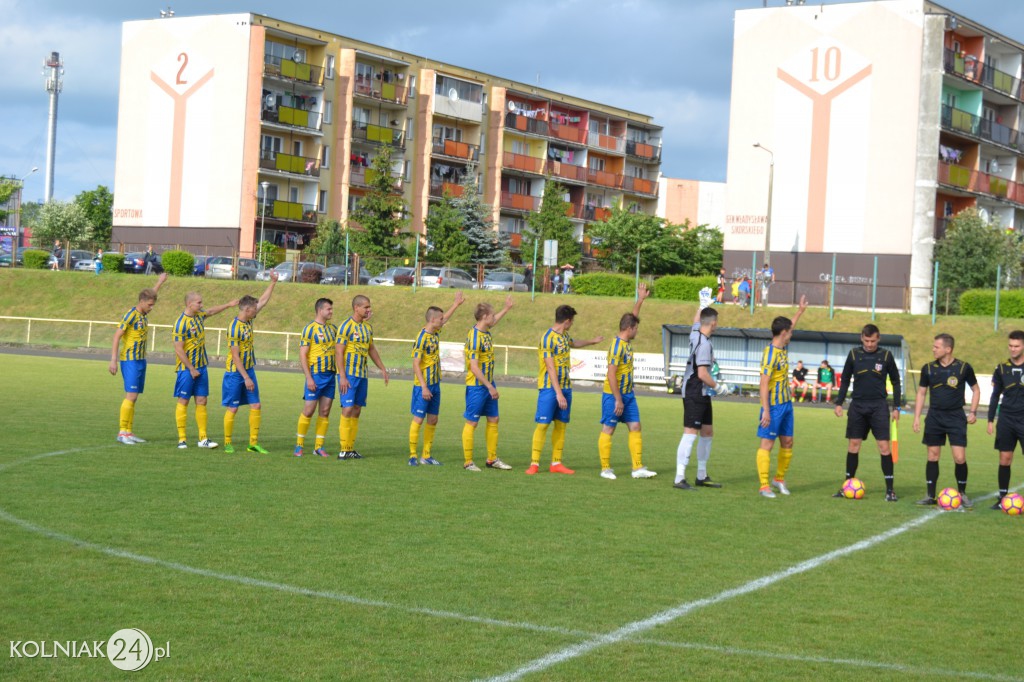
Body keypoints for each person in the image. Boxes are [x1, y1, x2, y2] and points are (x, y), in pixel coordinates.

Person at [527, 304, 604, 475]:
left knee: (561, 426)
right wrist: (558, 393)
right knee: (543, 424)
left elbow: (574, 343)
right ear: (567, 321)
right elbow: (550, 367)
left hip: (566, 387)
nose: (572, 324)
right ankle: (534, 463)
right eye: (572, 321)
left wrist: (592, 341)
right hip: (549, 388)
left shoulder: (564, 336)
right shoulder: (547, 338)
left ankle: (556, 463)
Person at [831, 324, 903, 501]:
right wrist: (839, 403)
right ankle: (847, 485)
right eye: (867, 340)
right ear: (861, 338)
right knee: (853, 445)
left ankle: (890, 490)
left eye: (873, 340)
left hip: (879, 406)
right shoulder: (854, 354)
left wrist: (897, 407)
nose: (870, 344)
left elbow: (896, 381)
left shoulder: (886, 355)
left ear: (878, 339)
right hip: (858, 406)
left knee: (884, 447)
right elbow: (846, 379)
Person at [912, 334, 979, 507]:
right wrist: (917, 417)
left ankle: (962, 494)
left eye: (936, 346)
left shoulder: (964, 367)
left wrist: (972, 412)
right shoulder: (927, 368)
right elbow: (921, 393)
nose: (933, 349)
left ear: (948, 349)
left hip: (956, 416)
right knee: (933, 455)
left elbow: (976, 389)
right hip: (934, 416)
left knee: (959, 457)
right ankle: (930, 495)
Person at [598, 283, 656, 480]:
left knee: (636, 426)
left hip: (628, 395)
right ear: (630, 329)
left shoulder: (626, 341)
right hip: (614, 396)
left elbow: (633, 316)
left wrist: (640, 300)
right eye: (636, 328)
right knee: (609, 428)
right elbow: (611, 374)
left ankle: (637, 468)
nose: (637, 331)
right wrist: (618, 399)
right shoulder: (617, 347)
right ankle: (605, 468)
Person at [754, 296, 808, 497]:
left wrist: (800, 311)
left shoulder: (782, 346)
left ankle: (779, 479)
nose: (791, 334)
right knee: (767, 444)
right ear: (783, 334)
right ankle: (764, 485)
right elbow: (763, 383)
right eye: (790, 332)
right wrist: (766, 411)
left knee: (788, 442)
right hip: (773, 407)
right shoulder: (770, 354)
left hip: (786, 405)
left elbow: (790, 324)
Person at [173, 291, 238, 449]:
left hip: (201, 366)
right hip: (186, 369)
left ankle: (203, 438)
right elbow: (178, 349)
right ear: (190, 304)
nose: (202, 305)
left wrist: (228, 305)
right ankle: (182, 439)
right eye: (199, 303)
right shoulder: (181, 323)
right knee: (184, 401)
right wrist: (191, 368)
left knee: (202, 401)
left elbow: (211, 311)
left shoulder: (199, 316)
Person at [221, 273, 278, 454]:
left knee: (256, 405)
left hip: (248, 371)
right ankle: (228, 443)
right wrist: (246, 377)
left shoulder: (249, 320)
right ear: (246, 310)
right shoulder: (234, 327)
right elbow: (235, 356)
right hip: (236, 373)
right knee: (233, 407)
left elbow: (262, 301)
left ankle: (253, 443)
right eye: (254, 309)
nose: (257, 310)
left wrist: (273, 283)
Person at [109, 272, 169, 445]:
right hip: (130, 360)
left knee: (134, 397)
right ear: (142, 302)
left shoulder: (143, 314)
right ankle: (122, 432)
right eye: (150, 305)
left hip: (141, 360)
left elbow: (151, 293)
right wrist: (113, 360)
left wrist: (159, 282)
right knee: (131, 395)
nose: (152, 307)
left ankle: (128, 432)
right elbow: (116, 336)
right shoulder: (131, 315)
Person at [408, 292, 465, 466]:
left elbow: (445, 318)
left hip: (435, 384)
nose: (443, 321)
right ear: (433, 320)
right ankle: (412, 455)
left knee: (433, 419)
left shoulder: (435, 332)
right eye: (440, 319)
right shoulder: (422, 338)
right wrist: (424, 387)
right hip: (423, 386)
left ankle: (426, 455)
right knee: (418, 419)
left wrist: (456, 305)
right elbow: (416, 364)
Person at [462, 295, 515, 471]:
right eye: (492, 315)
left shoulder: (485, 331)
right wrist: (490, 386)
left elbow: (494, 321)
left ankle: (492, 459)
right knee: (472, 422)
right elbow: (474, 367)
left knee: (494, 418)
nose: (494, 318)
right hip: (477, 386)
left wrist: (506, 309)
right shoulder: (475, 337)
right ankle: (468, 462)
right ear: (484, 317)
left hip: (487, 384)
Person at [674, 304, 722, 490]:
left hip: (701, 392)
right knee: (690, 432)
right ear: (713, 323)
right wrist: (718, 387)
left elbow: (695, 321)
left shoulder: (696, 333)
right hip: (695, 390)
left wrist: (700, 305)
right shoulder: (704, 344)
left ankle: (701, 475)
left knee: (707, 431)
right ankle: (679, 478)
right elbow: (702, 373)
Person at [337, 295, 390, 459]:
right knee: (347, 409)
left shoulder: (367, 328)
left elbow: (371, 349)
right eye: (366, 307)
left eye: (369, 306)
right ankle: (343, 449)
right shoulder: (345, 327)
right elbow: (338, 351)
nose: (369, 310)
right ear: (356, 308)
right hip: (349, 375)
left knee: (357, 410)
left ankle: (350, 448)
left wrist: (382, 368)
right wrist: (342, 376)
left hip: (362, 375)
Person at [295, 298, 341, 458]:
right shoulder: (309, 329)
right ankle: (299, 445)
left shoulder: (333, 329)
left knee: (325, 411)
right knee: (309, 410)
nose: (331, 312)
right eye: (329, 309)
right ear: (320, 310)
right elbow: (303, 354)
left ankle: (318, 447)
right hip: (315, 374)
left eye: (331, 309)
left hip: (330, 376)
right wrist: (309, 378)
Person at [987, 330, 1024, 510]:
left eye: (1016, 346)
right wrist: (989, 419)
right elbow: (995, 396)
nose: (1013, 349)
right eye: (1010, 345)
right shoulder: (1001, 368)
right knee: (1004, 458)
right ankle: (1002, 497)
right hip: (1006, 419)